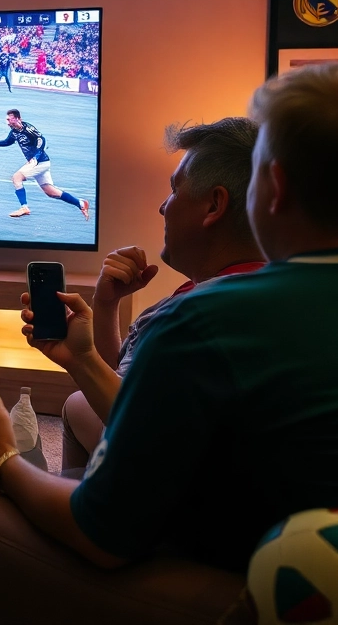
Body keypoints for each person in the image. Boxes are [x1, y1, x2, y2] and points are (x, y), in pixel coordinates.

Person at [0, 63, 338, 622]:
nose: (165, 206)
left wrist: (1, 462)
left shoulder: (206, 320)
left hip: (253, 585)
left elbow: (104, 538)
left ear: (273, 188)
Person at [59, 118, 265, 475]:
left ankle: (83, 515)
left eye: (174, 189)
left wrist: (80, 358)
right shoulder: (265, 286)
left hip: (173, 495)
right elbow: (123, 382)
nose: (163, 207)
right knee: (79, 403)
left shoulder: (186, 316)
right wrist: (107, 304)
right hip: (231, 476)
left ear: (214, 205)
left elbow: (132, 425)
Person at [0, 109, 91, 220]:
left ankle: (24, 207)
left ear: (17, 118)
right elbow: (8, 141)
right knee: (51, 192)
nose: (7, 122)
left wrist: (35, 158)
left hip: (39, 162)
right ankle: (80, 203)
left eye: (9, 119)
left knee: (16, 177)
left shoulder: (28, 129)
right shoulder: (14, 131)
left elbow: (41, 140)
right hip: (40, 163)